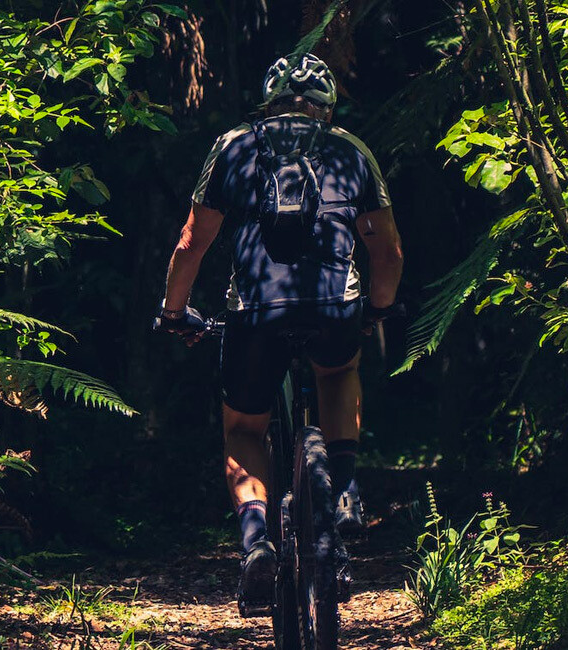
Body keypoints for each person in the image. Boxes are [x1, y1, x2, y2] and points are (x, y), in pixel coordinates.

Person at [152, 53, 404, 612]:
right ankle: (340, 492)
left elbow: (192, 244)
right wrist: (378, 309)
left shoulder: (234, 146)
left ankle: (256, 545)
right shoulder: (350, 150)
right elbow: (387, 251)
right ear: (326, 106)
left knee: (244, 428)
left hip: (254, 313)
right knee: (339, 372)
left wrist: (174, 313)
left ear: (268, 102)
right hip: (334, 307)